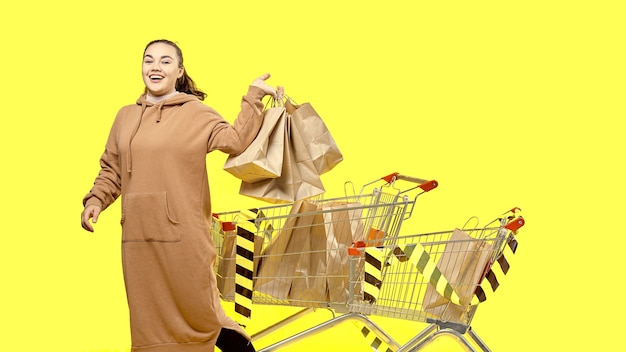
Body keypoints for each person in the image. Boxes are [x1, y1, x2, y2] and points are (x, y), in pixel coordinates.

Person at [81, 39, 281, 352]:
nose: (155, 67)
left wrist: (253, 96)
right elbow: (112, 169)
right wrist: (95, 201)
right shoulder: (124, 117)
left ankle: (230, 341)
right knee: (148, 315)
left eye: (164, 61)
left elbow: (236, 140)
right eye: (149, 61)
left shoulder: (196, 113)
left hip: (184, 232)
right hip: (137, 235)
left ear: (179, 70)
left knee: (199, 304)